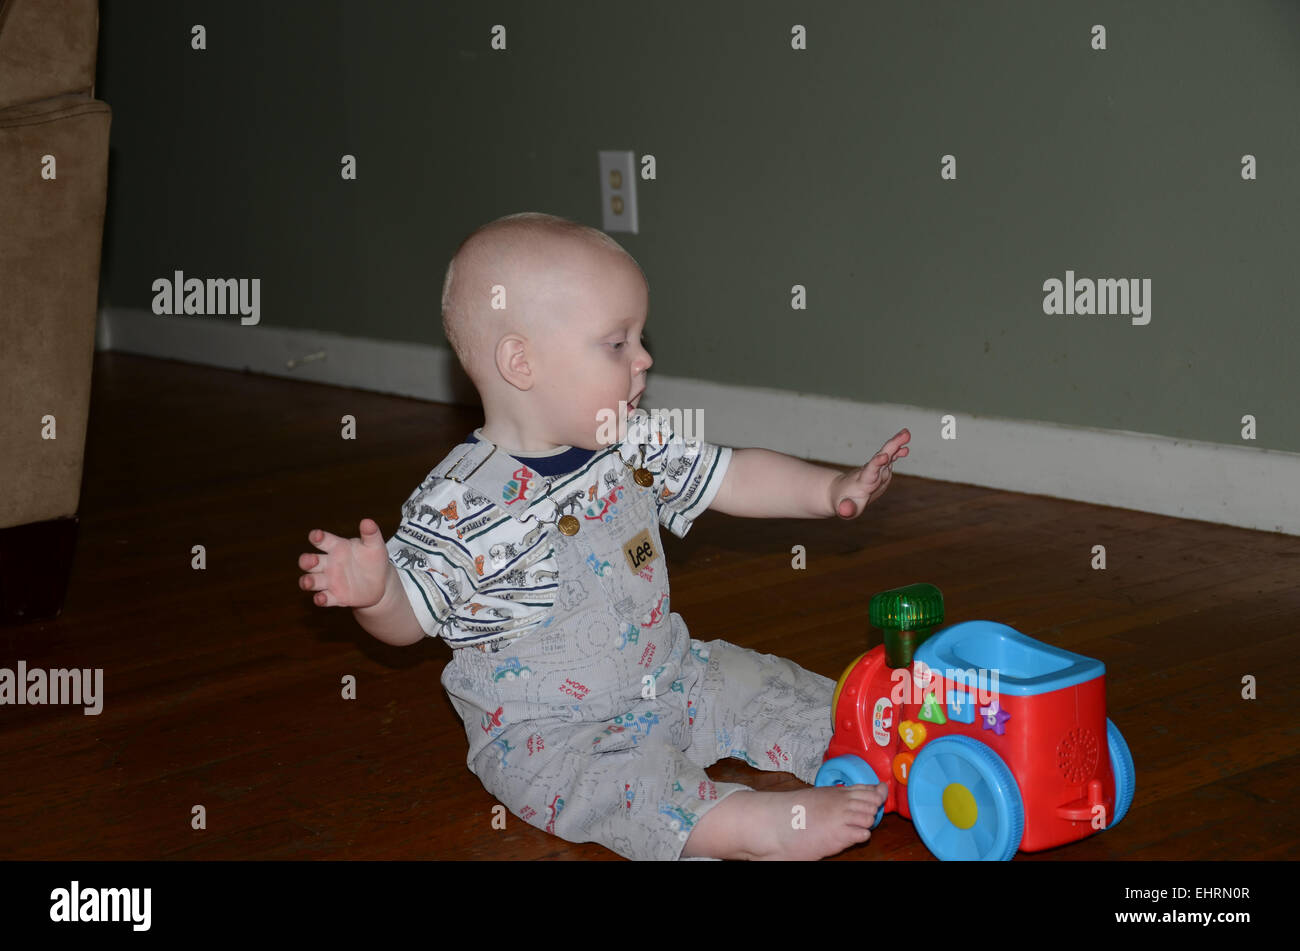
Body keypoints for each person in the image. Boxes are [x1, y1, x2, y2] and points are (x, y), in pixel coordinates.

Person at [298, 212, 909, 859]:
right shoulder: (464, 504)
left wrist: (830, 488)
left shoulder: (632, 440)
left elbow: (733, 474)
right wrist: (377, 592)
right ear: (521, 361)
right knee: (626, 787)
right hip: (554, 737)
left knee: (754, 679)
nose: (644, 358)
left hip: (669, 676)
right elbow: (409, 621)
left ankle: (868, 742)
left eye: (640, 337)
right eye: (617, 343)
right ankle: (748, 826)